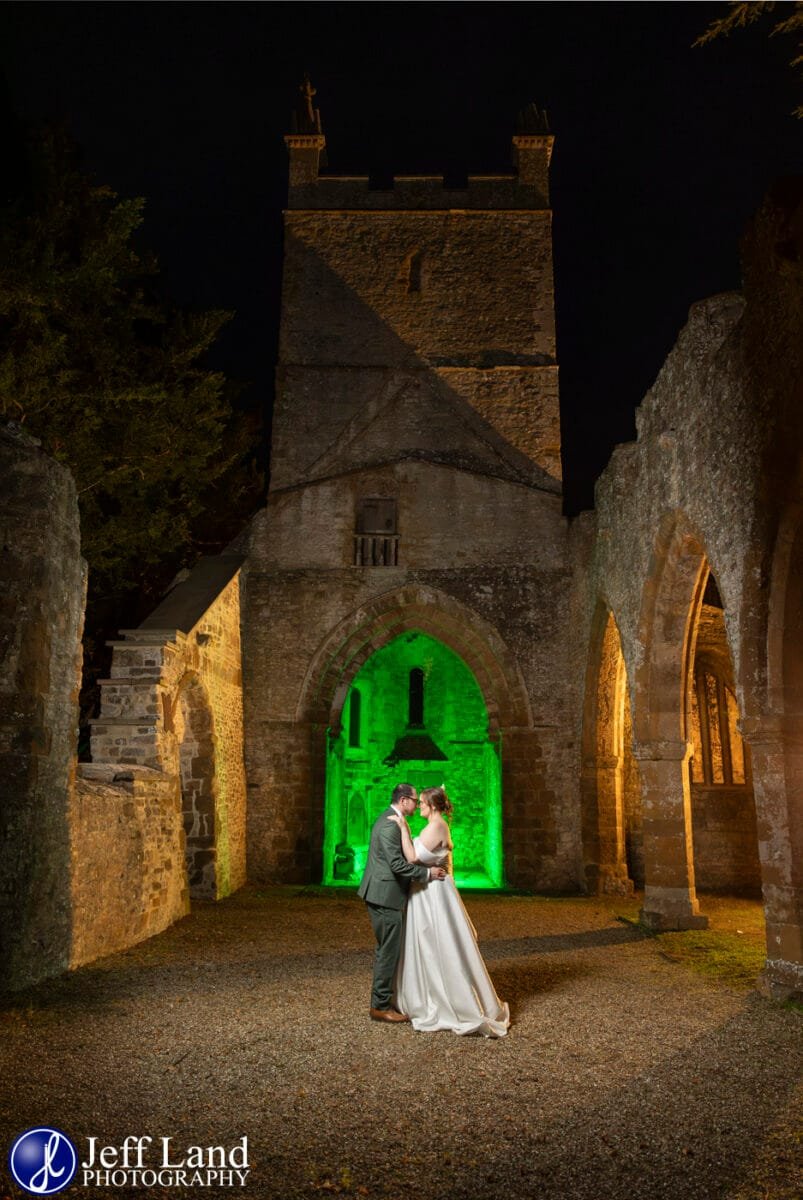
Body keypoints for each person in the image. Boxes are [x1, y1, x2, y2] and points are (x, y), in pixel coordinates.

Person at [388, 785, 509, 1037]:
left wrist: (403, 828)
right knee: (428, 943)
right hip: (428, 891)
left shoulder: (437, 826)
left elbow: (411, 857)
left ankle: (449, 1000)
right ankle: (426, 991)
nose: (418, 806)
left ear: (432, 805)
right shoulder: (436, 825)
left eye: (421, 803)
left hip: (433, 894)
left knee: (438, 943)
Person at [357, 782, 446, 1023]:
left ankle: (385, 999)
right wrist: (427, 874)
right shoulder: (389, 824)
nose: (417, 805)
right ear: (404, 800)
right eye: (415, 801)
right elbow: (397, 865)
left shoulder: (394, 820)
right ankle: (380, 1006)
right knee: (388, 951)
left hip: (385, 893)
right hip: (384, 895)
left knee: (388, 949)